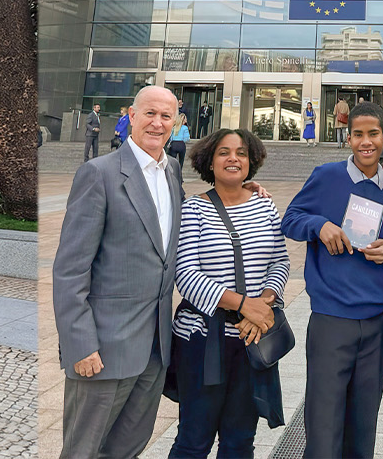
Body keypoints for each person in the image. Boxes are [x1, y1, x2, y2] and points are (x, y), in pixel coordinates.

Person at [52, 86, 184, 458]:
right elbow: (70, 270)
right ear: (131, 115)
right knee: (83, 450)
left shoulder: (172, 171)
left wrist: (247, 190)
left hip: (154, 348)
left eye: (166, 116)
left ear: (175, 122)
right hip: (104, 349)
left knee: (126, 450)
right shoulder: (99, 173)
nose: (158, 123)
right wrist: (80, 343)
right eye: (150, 114)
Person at [282, 101, 383, 459]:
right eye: (359, 134)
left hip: (376, 322)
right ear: (348, 138)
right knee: (323, 424)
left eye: (374, 134)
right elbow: (290, 219)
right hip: (332, 319)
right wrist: (319, 225)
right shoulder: (326, 175)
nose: (367, 142)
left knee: (363, 425)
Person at [168, 128, 287, 458]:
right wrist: (245, 305)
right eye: (224, 152)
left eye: (241, 153)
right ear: (210, 160)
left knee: (239, 440)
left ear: (251, 162)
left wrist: (264, 303)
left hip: (251, 342)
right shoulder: (195, 209)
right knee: (194, 439)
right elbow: (187, 275)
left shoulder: (265, 207)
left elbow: (280, 261)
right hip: (203, 340)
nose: (233, 158)